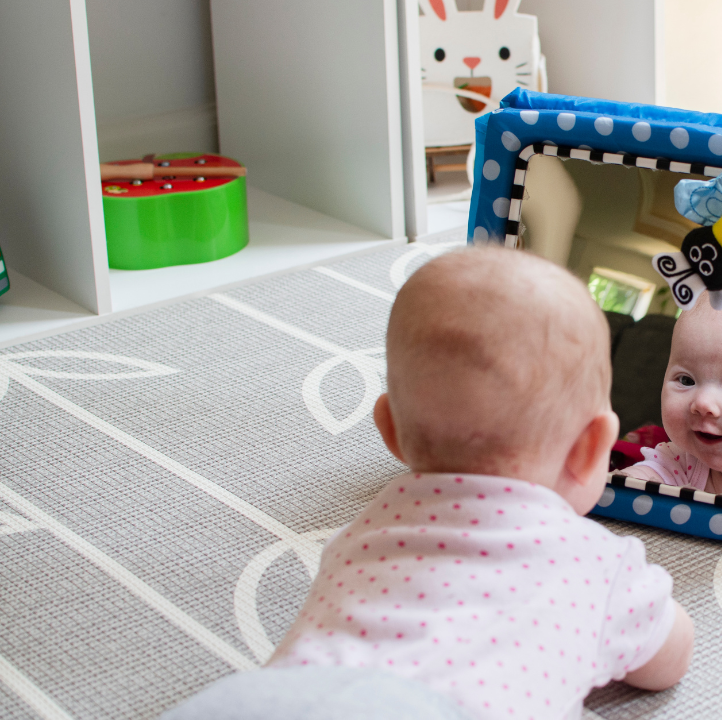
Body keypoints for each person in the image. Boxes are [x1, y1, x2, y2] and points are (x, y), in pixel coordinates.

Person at [168, 248, 693, 720]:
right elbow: (667, 661)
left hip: (277, 698)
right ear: (592, 445)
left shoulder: (364, 532)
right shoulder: (599, 563)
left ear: (389, 428)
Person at [619, 293, 722, 501]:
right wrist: (623, 485)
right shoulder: (680, 463)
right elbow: (641, 479)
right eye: (686, 380)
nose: (702, 403)